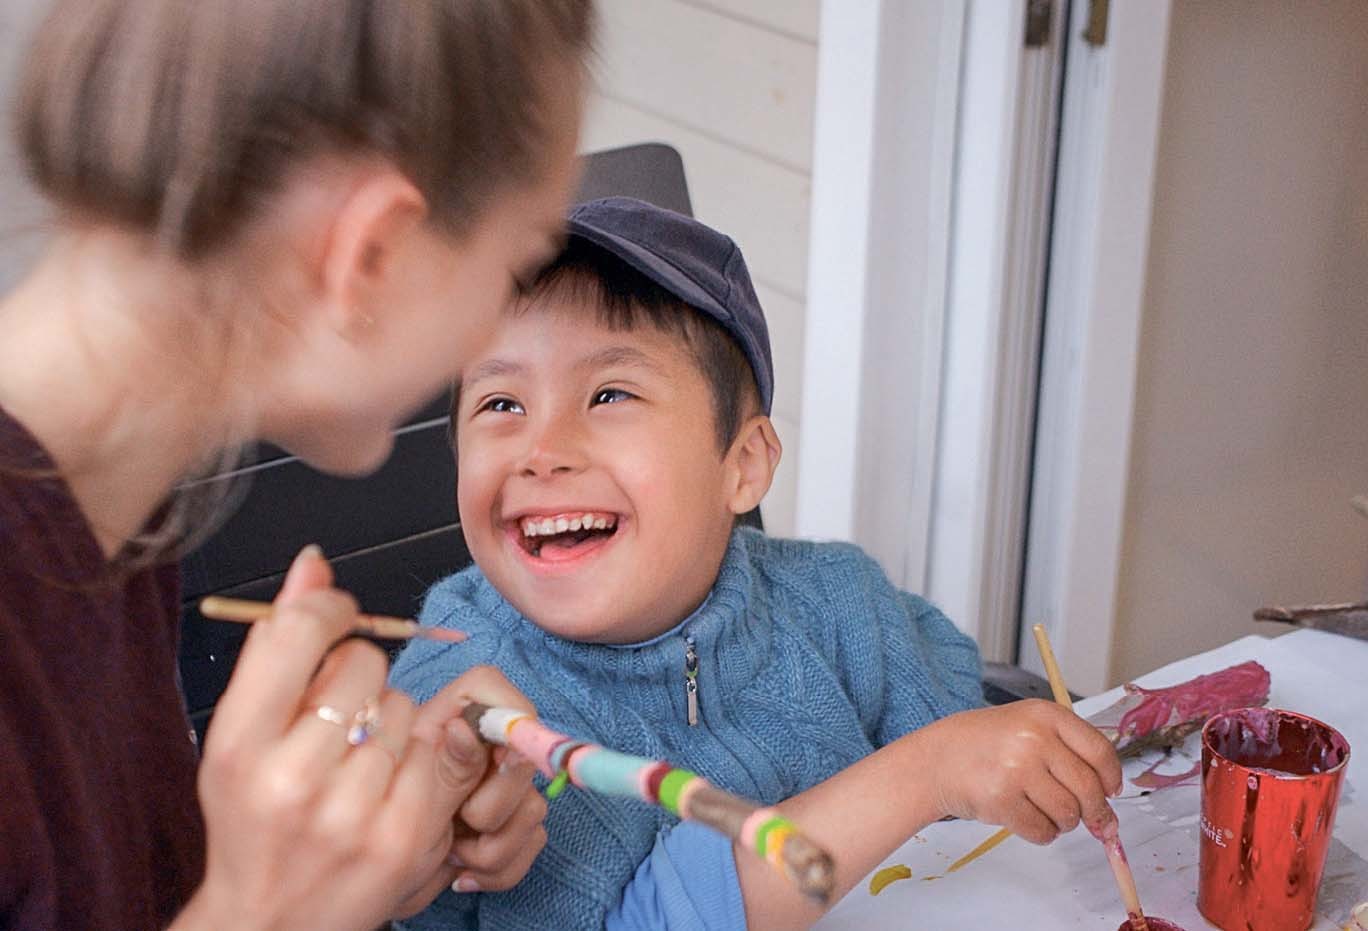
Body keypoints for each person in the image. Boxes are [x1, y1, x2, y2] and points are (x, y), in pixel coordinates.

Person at [0, 2, 595, 929]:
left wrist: (348, 864)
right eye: (515, 266)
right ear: (371, 255)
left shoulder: (108, 513)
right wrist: (263, 911)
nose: (489, 333)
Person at [390, 197, 1124, 930]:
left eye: (609, 393)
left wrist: (1001, 759)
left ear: (742, 465)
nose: (543, 451)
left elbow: (970, 797)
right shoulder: (463, 699)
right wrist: (928, 771)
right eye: (501, 403)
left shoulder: (843, 604)